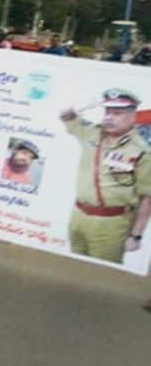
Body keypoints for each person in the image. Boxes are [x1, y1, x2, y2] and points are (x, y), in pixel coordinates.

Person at [61, 89, 151, 264]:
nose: (109, 117)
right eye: (107, 112)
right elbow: (65, 116)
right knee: (74, 267)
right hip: (79, 216)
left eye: (117, 113)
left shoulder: (142, 150)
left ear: (133, 117)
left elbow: (147, 197)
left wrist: (136, 235)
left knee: (102, 274)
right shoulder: (92, 132)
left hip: (111, 224)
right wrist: (80, 107)